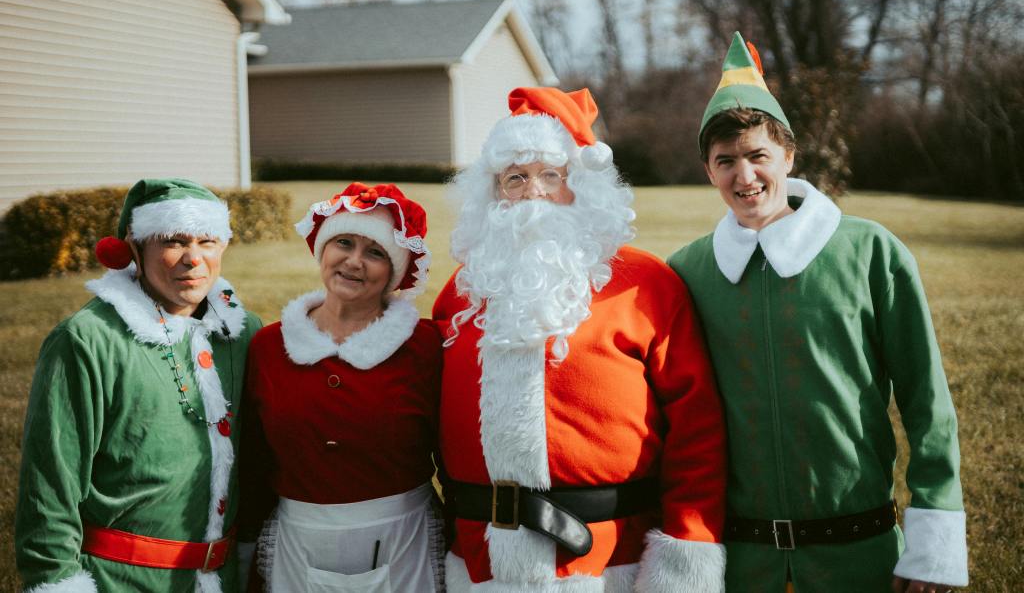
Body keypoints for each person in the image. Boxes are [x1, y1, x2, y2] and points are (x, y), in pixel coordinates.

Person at [667, 32, 968, 593]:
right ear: (708, 170)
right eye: (725, 161)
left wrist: (935, 543)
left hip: (860, 554)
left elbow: (927, 401)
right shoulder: (687, 272)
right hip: (741, 564)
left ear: (788, 155)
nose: (744, 176)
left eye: (758, 156)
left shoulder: (870, 251)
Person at [433, 87, 728, 592]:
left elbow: (697, 431)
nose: (533, 192)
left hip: (610, 563)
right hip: (481, 566)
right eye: (515, 178)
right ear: (493, 193)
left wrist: (686, 553)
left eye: (552, 175)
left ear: (583, 186)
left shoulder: (645, 284)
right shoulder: (463, 291)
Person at [15, 178, 262, 592]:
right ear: (135, 245)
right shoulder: (87, 340)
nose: (193, 259)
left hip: (223, 580)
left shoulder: (243, 333)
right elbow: (49, 490)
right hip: (120, 581)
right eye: (174, 241)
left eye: (207, 241)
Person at [236, 182, 444, 592]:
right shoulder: (268, 347)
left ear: (395, 271)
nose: (354, 262)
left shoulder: (424, 347)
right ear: (322, 249)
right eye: (343, 243)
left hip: (405, 543)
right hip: (297, 545)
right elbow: (254, 463)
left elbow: (452, 455)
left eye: (375, 253)